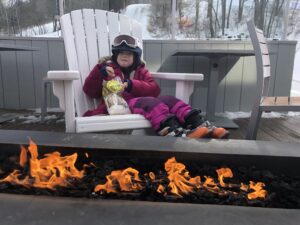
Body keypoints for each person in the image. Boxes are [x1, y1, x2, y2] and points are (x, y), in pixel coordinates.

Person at [83, 34, 229, 139]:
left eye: (129, 53)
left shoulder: (141, 71)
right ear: (115, 56)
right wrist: (100, 73)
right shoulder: (106, 70)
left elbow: (154, 90)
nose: (124, 56)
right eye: (120, 53)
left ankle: (200, 125)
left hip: (143, 102)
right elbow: (89, 91)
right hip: (119, 106)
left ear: (136, 57)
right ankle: (172, 131)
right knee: (150, 102)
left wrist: (132, 85)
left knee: (169, 99)